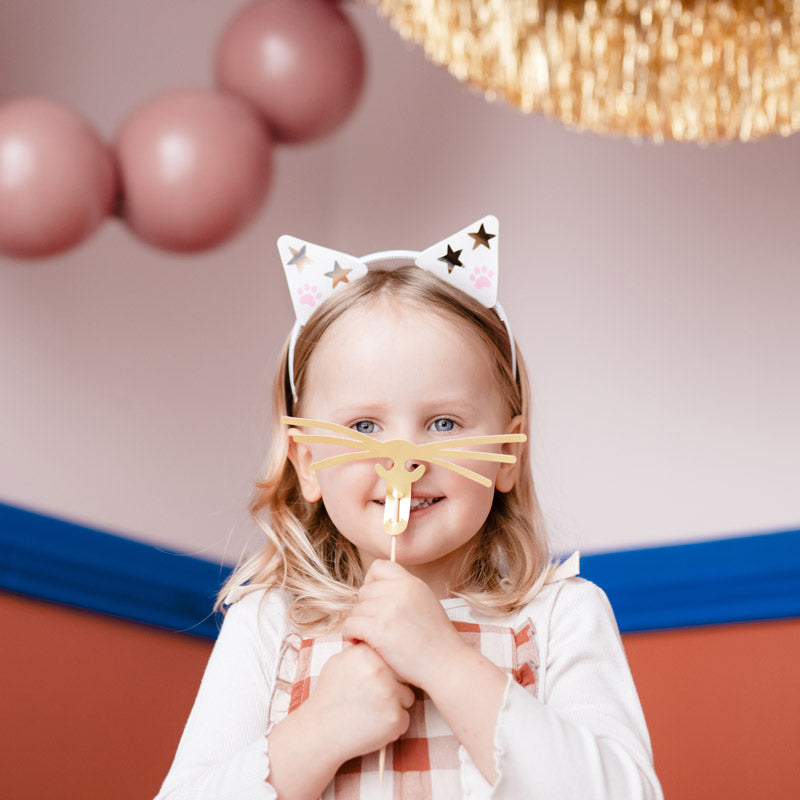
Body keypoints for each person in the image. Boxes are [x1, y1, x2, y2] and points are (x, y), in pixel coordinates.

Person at [155, 217, 663, 799]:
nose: (404, 458)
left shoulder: (559, 618)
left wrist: (445, 661)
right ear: (307, 461)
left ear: (507, 456)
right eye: (364, 425)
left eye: (443, 423)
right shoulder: (270, 625)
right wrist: (318, 732)